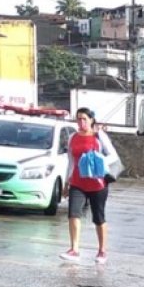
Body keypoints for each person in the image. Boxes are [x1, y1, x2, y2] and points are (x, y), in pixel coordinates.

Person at [60, 107, 111, 264]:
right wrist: (67, 183)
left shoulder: (99, 137)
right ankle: (74, 249)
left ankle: (102, 250)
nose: (81, 122)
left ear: (91, 120)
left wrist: (98, 159)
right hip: (77, 182)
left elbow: (112, 155)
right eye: (79, 119)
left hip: (98, 183)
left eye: (84, 119)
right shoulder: (72, 138)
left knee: (99, 217)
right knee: (73, 213)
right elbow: (70, 162)